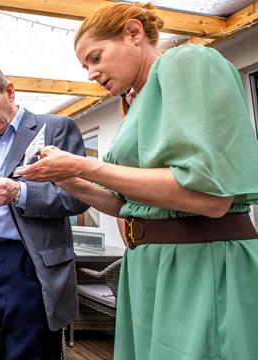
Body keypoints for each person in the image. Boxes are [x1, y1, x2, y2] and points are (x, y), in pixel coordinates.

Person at [16, 3, 258, 359]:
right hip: (147, 266)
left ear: (133, 33)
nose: (91, 74)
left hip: (196, 262)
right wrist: (67, 178)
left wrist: (83, 165)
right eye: (85, 66)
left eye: (95, 58)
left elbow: (209, 196)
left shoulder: (186, 62)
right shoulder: (135, 103)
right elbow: (124, 203)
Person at [0, 62, 88, 360]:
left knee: (30, 351)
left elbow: (78, 197)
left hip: (30, 262)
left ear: (9, 91)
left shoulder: (54, 128)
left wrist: (20, 193)